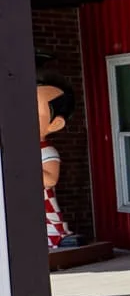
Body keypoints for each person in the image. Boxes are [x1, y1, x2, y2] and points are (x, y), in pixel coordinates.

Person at [37, 74, 77, 250]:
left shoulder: (47, 152)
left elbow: (51, 179)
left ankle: (57, 237)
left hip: (45, 211)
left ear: (55, 124)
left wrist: (26, 168)